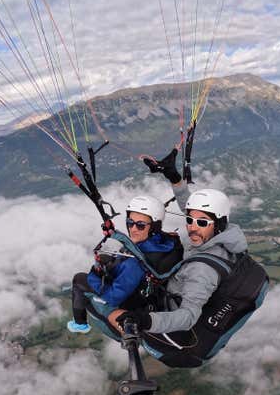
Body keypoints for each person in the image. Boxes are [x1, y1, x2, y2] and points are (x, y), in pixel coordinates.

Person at [112, 151, 269, 367]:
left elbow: (187, 318)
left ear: (218, 224)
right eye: (189, 220)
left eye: (201, 223)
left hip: (182, 347)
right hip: (184, 294)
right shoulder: (226, 236)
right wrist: (174, 177)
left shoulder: (202, 270)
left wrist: (145, 320)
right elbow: (194, 209)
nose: (193, 227)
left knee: (109, 309)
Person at [67, 195, 180, 333]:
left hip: (132, 308)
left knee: (79, 280)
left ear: (154, 227)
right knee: (108, 260)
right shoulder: (168, 242)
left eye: (140, 225)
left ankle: (79, 324)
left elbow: (113, 298)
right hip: (150, 294)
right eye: (130, 222)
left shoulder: (134, 264)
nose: (133, 229)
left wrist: (95, 274)